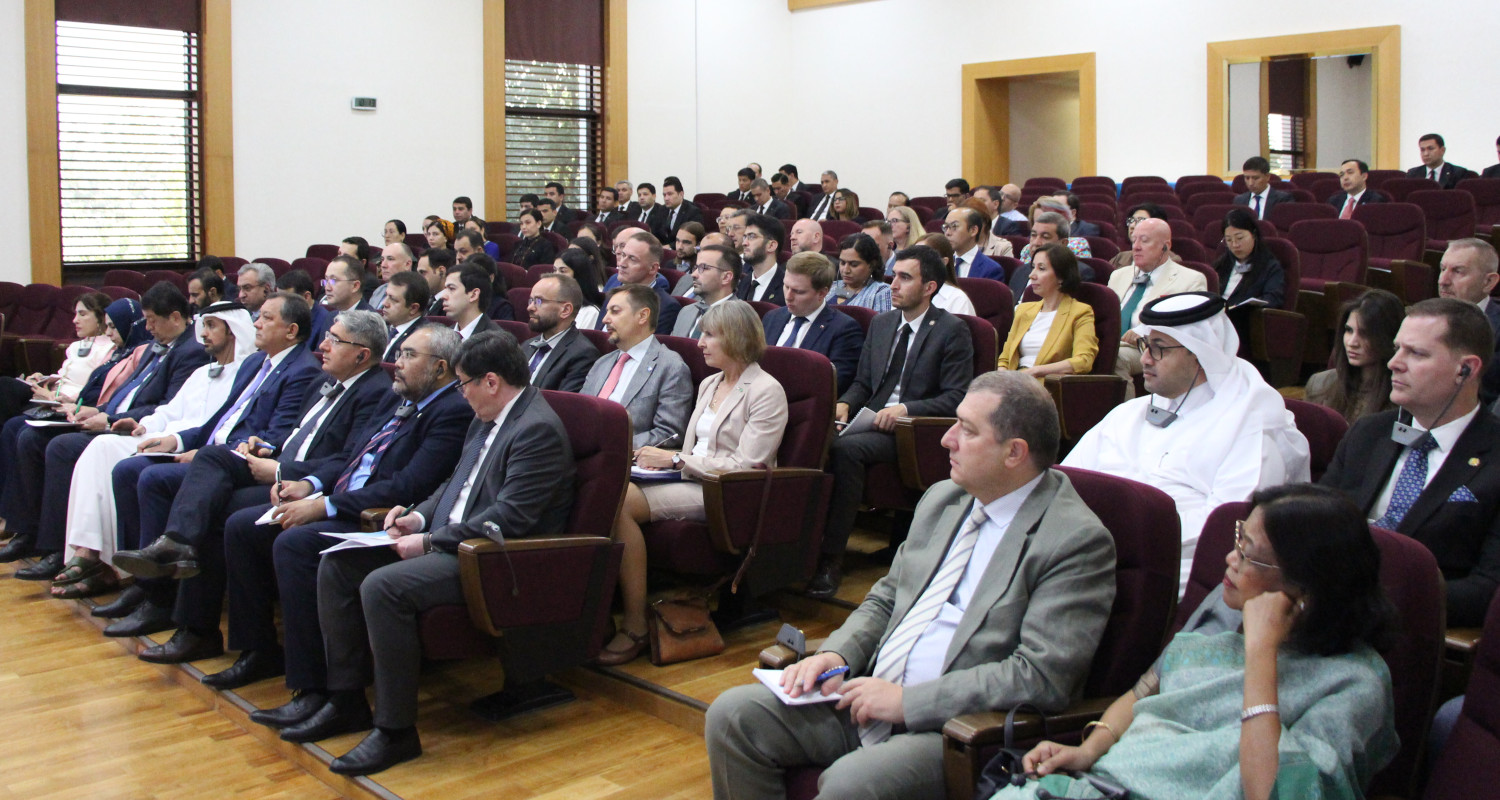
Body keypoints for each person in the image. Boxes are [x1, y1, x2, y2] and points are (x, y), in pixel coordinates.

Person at [707, 371, 1117, 800]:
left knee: (851, 784)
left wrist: (910, 701)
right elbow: (887, 597)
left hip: (957, 729)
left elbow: (1041, 676)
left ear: (1015, 452)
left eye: (967, 430)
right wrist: (836, 652)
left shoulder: (1073, 540)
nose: (947, 439)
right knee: (732, 717)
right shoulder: (945, 497)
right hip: (867, 695)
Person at [992, 484, 1396, 800]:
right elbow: (1146, 690)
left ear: (1305, 587)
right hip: (1104, 786)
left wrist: (1261, 652)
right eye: (1239, 539)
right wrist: (1091, 748)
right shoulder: (1224, 609)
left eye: (1248, 555)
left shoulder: (1354, 685)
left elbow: (1271, 792)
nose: (1229, 560)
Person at [297, 330, 575, 776]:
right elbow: (455, 485)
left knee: (383, 587)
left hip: (492, 558)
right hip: (451, 539)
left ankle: (396, 731)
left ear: (490, 381)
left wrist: (429, 541)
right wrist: (418, 518)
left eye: (463, 383)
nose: (459, 392)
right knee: (338, 564)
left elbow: (509, 519)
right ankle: (346, 698)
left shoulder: (535, 429)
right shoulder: (486, 414)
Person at [109, 310, 391, 664]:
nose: (323, 345)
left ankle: (210, 633)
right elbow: (295, 435)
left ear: (361, 354)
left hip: (304, 484)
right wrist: (265, 447)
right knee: (212, 457)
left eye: (334, 340)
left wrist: (282, 469)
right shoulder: (326, 380)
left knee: (222, 516)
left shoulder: (377, 393)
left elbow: (348, 459)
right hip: (277, 466)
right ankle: (174, 544)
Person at [216, 326, 471, 700]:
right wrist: (311, 484)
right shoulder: (402, 398)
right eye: (398, 354)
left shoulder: (451, 412)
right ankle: (259, 651)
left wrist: (324, 505)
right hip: (342, 499)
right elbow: (351, 456)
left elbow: (407, 486)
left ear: (440, 368)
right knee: (242, 526)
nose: (396, 364)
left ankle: (314, 683)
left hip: (376, 517)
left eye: (408, 356)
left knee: (294, 544)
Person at [1063, 293, 1310, 594]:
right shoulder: (1129, 414)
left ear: (1199, 353)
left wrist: (1119, 533)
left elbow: (1225, 531)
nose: (1145, 359)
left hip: (1172, 566)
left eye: (1159, 349)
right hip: (1088, 548)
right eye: (1145, 345)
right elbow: (1067, 482)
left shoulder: (1250, 426)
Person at [601, 301, 789, 666]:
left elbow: (747, 465)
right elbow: (692, 444)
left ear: (736, 338)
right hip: (686, 477)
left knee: (617, 502)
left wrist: (674, 460)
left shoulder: (766, 390)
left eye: (709, 334)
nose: (699, 342)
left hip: (723, 492)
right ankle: (600, 610)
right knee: (602, 492)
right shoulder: (709, 382)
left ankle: (636, 624)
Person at [45, 302, 255, 600]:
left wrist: (172, 437)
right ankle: (88, 551)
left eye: (212, 327)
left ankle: (115, 566)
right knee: (101, 446)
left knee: (118, 459)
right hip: (160, 435)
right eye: (203, 326)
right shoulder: (202, 373)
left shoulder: (246, 374)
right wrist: (143, 424)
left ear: (233, 331)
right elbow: (170, 410)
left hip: (190, 445)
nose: (204, 334)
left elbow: (214, 426)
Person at [0, 283, 210, 566]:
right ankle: (26, 529)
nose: (147, 328)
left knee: (60, 447)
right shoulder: (156, 347)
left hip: (137, 428)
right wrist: (95, 410)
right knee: (26, 433)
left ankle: (56, 547)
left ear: (175, 317)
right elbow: (128, 392)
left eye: (152, 320)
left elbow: (169, 405)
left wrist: (108, 419)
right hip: (111, 419)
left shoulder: (191, 352)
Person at [1320, 298, 1500, 627]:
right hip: (1323, 609)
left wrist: (1367, 602)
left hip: (1411, 629)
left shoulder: (1494, 456)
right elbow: (1318, 522)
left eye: (1415, 353)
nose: (1394, 363)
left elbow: (1487, 590)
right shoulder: (1370, 433)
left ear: (1467, 369)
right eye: (1396, 348)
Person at [810, 246, 975, 597]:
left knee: (845, 450)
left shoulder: (951, 330)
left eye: (904, 277)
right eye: (893, 275)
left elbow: (957, 397)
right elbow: (865, 384)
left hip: (917, 433)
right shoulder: (882, 324)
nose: (893, 285)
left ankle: (830, 559)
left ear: (929, 287)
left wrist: (906, 409)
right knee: (816, 438)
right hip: (872, 420)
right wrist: (843, 403)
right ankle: (800, 548)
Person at [0, 297, 144, 553]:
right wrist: (51, 383)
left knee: (32, 435)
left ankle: (48, 542)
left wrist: (64, 401)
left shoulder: (128, 353)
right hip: (75, 409)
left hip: (93, 416)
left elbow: (107, 398)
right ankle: (20, 525)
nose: (75, 320)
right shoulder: (115, 352)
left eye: (83, 314)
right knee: (15, 426)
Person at [581, 284, 693, 448]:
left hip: (623, 462)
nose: (605, 319)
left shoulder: (670, 367)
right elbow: (581, 415)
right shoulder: (602, 363)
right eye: (606, 311)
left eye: (615, 311)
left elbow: (669, 433)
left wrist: (612, 445)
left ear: (642, 316)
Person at [1108, 218, 1206, 397]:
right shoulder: (1118, 275)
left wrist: (1144, 331)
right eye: (1134, 239)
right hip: (1111, 342)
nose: (1136, 246)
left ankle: (1127, 418)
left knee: (1116, 358)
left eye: (1144, 241)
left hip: (1151, 347)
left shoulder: (1190, 279)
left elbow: (1190, 327)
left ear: (1165, 246)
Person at [0, 290, 114, 422]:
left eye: (82, 314)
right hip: (52, 394)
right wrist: (44, 379)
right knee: (6, 387)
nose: (75, 320)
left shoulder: (109, 348)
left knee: (8, 394)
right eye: (75, 314)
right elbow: (63, 376)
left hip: (68, 401)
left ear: (101, 317)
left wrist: (57, 397)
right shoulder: (75, 346)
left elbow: (95, 389)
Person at [763, 252, 865, 394]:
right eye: (786, 286)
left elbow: (833, 383)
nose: (788, 296)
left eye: (798, 291)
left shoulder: (844, 329)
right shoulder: (772, 318)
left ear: (822, 293)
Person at [998, 243, 1098, 378]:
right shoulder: (1024, 310)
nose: (1031, 275)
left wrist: (1036, 371)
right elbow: (1005, 359)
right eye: (1033, 267)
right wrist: (1003, 378)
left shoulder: (1080, 312)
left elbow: (1083, 361)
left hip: (1046, 385)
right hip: (1015, 382)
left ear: (1061, 276)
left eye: (1041, 269)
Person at [1305, 289, 1404, 423]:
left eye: (1364, 333)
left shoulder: (1403, 396)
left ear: (1388, 337)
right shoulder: (1320, 384)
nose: (1352, 342)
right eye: (1349, 330)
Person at [1433, 238, 1500, 404]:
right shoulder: (1422, 319)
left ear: (1488, 282)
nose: (1443, 280)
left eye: (1458, 271)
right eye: (1442, 269)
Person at [1213, 208, 1287, 341]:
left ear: (1253, 234)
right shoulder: (1221, 264)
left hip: (1245, 327)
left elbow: (1273, 299)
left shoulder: (1270, 267)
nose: (1235, 245)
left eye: (1240, 238)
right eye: (1229, 240)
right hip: (1215, 323)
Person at [520, 273, 599, 392]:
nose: (530, 307)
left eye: (539, 301)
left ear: (565, 310)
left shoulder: (582, 354)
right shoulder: (527, 345)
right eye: (531, 300)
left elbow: (560, 406)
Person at [674, 244, 741, 338]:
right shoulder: (686, 311)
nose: (693, 274)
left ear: (726, 277)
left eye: (703, 268)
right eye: (696, 267)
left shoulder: (740, 319)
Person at [828, 233, 893, 312]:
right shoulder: (831, 287)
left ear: (872, 264)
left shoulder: (881, 292)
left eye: (854, 265)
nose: (845, 270)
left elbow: (881, 324)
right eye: (842, 263)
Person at [915, 233, 977, 316]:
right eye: (912, 256)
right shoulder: (905, 291)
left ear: (943, 262)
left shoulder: (957, 299)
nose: (914, 262)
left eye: (922, 257)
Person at [734, 213, 787, 306]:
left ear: (771, 245)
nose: (744, 243)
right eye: (745, 237)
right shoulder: (742, 282)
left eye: (752, 236)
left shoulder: (786, 286)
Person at [379, 271, 431, 363]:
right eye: (386, 295)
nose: (384, 303)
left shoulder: (421, 340)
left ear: (413, 308)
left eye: (393, 299)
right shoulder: (382, 328)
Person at [1112, 204, 1182, 270]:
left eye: (1140, 220)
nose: (1132, 226)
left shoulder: (1172, 262)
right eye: (1131, 220)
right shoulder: (1120, 258)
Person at [439, 264, 499, 341]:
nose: (443, 296)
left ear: (473, 295)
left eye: (451, 288)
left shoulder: (496, 341)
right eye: (445, 289)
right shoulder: (444, 336)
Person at [943, 206, 1005, 280]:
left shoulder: (991, 269)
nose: (947, 233)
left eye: (954, 226)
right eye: (946, 227)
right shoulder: (942, 265)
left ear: (973, 230)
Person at [552, 248, 605, 329]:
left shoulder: (590, 312)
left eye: (563, 271)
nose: (556, 275)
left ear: (578, 275)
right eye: (555, 270)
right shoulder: (552, 302)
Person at [1406, 133, 1478, 189]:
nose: (1426, 154)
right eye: (1422, 150)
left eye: (1430, 149)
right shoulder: (1413, 174)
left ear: (1442, 150)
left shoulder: (1458, 173)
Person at [653, 176, 704, 244]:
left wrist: (671, 246)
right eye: (664, 195)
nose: (666, 198)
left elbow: (693, 239)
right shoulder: (661, 210)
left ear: (681, 194)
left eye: (670, 194)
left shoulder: (693, 212)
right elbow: (655, 233)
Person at [369, 242, 414, 312]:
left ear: (407, 264)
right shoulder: (379, 290)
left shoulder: (414, 293)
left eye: (390, 259)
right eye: (382, 260)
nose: (383, 265)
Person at [417, 248, 454, 316]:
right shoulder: (422, 300)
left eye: (423, 272)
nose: (419, 278)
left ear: (441, 271)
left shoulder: (452, 304)